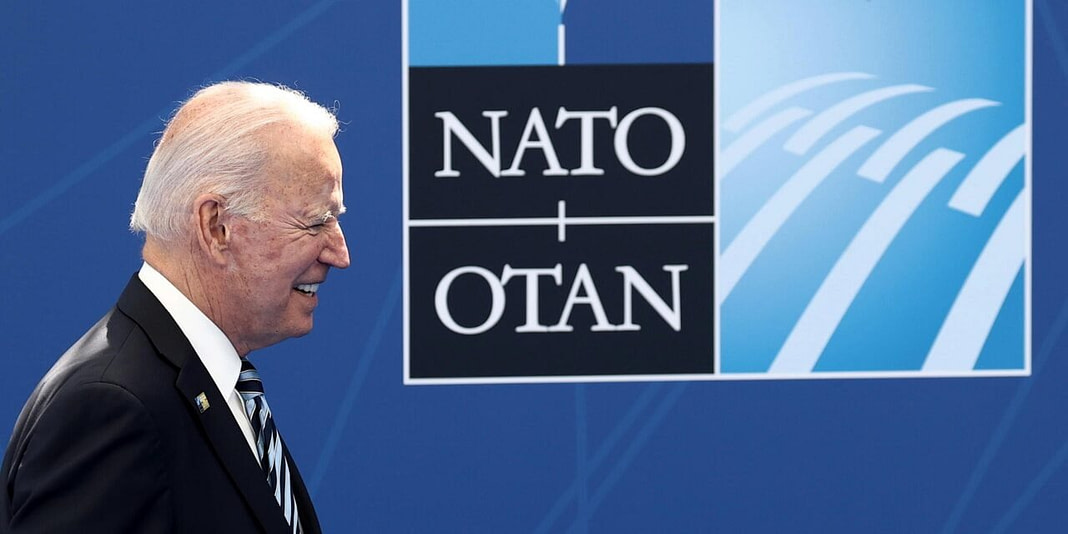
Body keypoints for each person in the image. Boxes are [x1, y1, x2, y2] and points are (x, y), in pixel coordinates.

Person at [0, 81, 350, 533]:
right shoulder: (111, 408)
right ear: (216, 226)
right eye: (316, 222)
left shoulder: (209, 386)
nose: (339, 253)